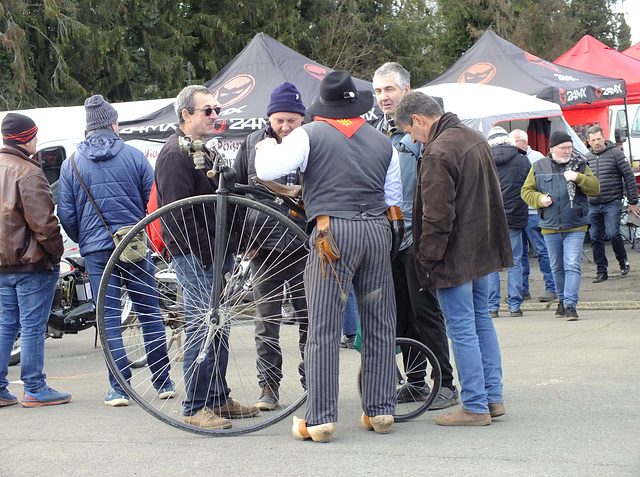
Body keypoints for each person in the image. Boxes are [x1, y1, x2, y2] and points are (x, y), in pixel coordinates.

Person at [255, 70, 403, 441]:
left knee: (323, 327)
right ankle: (381, 411)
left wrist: (265, 148)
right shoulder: (383, 142)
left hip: (331, 234)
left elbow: (267, 170)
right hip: (376, 231)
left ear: (323, 107)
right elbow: (394, 197)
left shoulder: (308, 134)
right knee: (379, 324)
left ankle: (319, 418)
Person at [395, 91, 512, 426]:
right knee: (480, 323)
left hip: (455, 255)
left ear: (419, 120)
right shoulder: (475, 137)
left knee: (461, 328)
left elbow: (436, 217)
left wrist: (425, 261)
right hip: (481, 250)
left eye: (410, 131)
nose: (411, 138)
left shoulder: (438, 150)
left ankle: (475, 405)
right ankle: (492, 398)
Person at [57, 95, 174, 407]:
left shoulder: (71, 165)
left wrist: (86, 239)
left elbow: (66, 214)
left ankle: (119, 389)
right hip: (134, 245)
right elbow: (153, 203)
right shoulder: (135, 157)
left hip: (96, 252)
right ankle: (162, 382)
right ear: (113, 123)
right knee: (149, 311)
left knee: (108, 318)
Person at [155, 85, 259, 429]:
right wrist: (204, 256)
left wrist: (235, 244)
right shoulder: (174, 154)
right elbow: (175, 215)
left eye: (217, 109)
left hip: (216, 254)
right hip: (197, 255)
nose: (216, 116)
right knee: (204, 326)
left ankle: (217, 398)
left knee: (220, 326)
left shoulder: (204, 151)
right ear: (186, 115)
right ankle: (195, 407)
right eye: (208, 111)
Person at [372, 62, 458, 409]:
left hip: (420, 237)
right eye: (378, 91)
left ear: (406, 90)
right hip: (388, 236)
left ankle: (446, 383)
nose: (383, 97)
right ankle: (415, 381)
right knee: (400, 314)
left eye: (389, 89)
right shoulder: (377, 132)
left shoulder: (427, 128)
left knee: (427, 313)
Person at [233, 81, 308, 411]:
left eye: (292, 120)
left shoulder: (312, 142)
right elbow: (234, 193)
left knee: (310, 319)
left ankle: (313, 382)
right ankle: (268, 386)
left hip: (306, 245)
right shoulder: (251, 144)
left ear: (302, 119)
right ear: (270, 118)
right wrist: (242, 241)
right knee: (266, 321)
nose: (286, 126)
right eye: (280, 120)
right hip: (263, 246)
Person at [0, 113, 71, 408]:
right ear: (26, 137)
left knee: (6, 324)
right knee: (31, 326)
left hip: (3, 263)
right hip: (31, 263)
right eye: (34, 135)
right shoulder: (27, 171)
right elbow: (44, 222)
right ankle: (34, 387)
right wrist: (55, 254)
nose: (37, 140)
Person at [521, 131, 600, 321]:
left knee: (572, 264)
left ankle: (571, 304)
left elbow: (595, 188)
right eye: (563, 148)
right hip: (549, 225)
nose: (567, 151)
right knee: (557, 266)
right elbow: (526, 191)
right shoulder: (538, 166)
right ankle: (563, 300)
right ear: (552, 149)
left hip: (576, 223)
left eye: (570, 148)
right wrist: (539, 199)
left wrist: (578, 178)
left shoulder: (580, 164)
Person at [486, 126, 531, 318]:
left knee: (491, 264)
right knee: (515, 262)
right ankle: (515, 306)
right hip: (514, 218)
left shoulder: (484, 159)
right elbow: (530, 187)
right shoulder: (522, 159)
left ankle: (492, 306)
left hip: (490, 218)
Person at [585, 125, 639, 283]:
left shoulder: (616, 153)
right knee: (595, 237)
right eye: (593, 140)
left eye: (599, 139)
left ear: (604, 138)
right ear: (589, 142)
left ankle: (623, 260)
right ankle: (601, 270)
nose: (597, 142)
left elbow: (629, 176)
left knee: (613, 233)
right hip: (593, 204)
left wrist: (633, 202)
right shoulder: (586, 158)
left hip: (612, 201)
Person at [509, 129, 556, 303]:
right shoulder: (516, 159)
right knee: (520, 254)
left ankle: (551, 287)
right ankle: (523, 289)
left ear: (522, 142)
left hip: (533, 212)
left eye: (512, 143)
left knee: (542, 251)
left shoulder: (537, 158)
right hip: (517, 212)